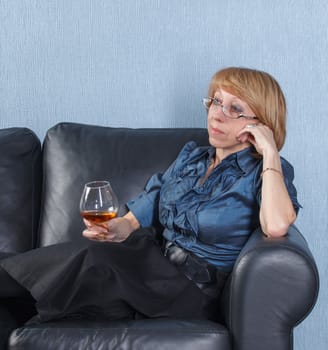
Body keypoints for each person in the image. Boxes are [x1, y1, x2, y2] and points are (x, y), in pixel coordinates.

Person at [0, 67, 300, 324]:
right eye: (216, 102)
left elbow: (275, 226)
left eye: (235, 109)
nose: (217, 115)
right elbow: (154, 198)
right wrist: (121, 226)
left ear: (261, 124)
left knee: (91, 261)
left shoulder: (267, 172)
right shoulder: (192, 158)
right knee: (65, 285)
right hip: (149, 264)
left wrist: (270, 153)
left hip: (187, 290)